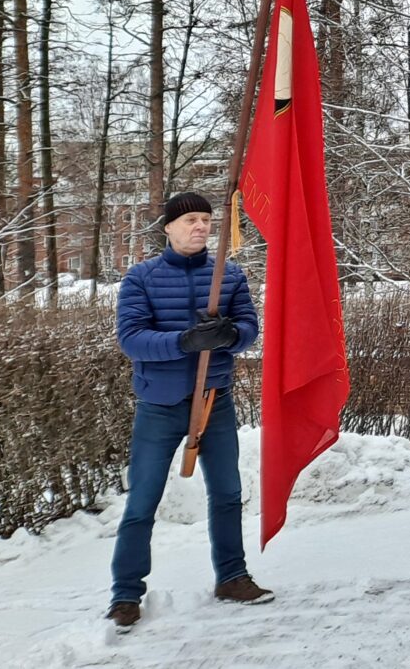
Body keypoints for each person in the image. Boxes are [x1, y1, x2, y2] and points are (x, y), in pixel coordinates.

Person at [108, 192, 271, 633]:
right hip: (159, 405)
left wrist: (229, 334)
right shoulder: (141, 278)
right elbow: (132, 339)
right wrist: (184, 342)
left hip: (213, 401)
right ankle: (125, 594)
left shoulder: (229, 275)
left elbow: (249, 329)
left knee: (227, 493)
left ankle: (232, 577)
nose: (200, 227)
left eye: (205, 219)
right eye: (189, 220)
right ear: (168, 227)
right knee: (142, 501)